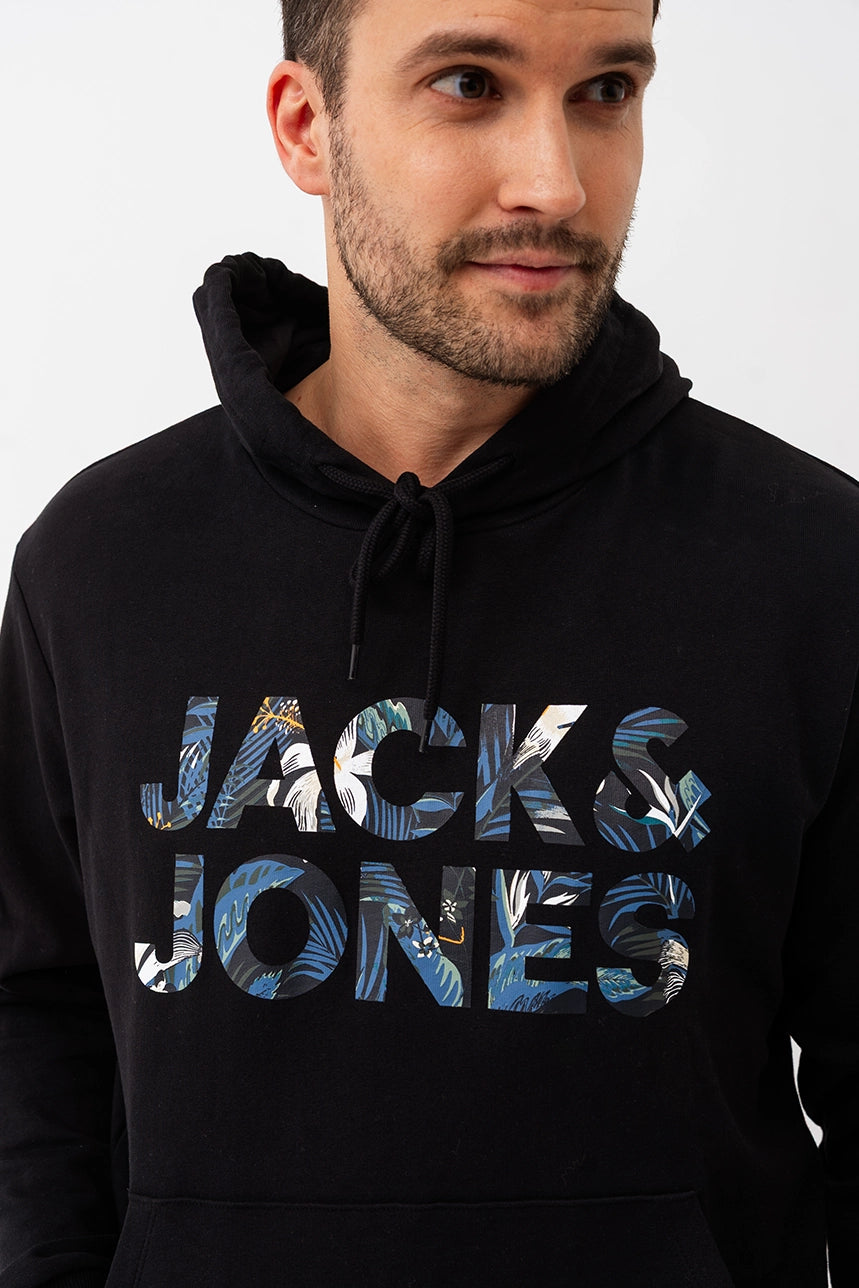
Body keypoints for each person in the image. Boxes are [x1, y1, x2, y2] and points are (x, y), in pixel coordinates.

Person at [0, 0, 855, 1284]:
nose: (556, 184)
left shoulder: (810, 563)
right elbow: (34, 1012)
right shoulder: (102, 559)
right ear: (307, 125)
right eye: (468, 83)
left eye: (606, 91)